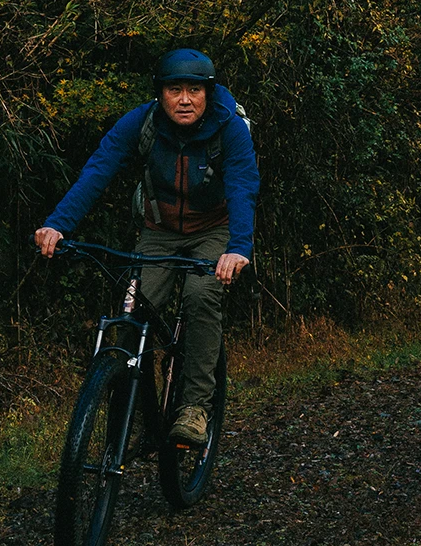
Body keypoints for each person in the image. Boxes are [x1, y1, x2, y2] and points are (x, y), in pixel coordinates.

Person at [34, 48, 258, 444]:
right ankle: (135, 411)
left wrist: (238, 246)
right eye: (175, 90)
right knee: (133, 310)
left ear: (209, 93)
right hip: (160, 229)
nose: (185, 99)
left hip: (214, 231)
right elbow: (99, 169)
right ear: (160, 94)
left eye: (194, 90)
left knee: (200, 294)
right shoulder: (143, 122)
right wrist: (57, 224)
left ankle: (194, 408)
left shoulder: (230, 129)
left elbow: (242, 185)